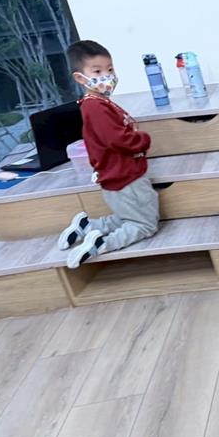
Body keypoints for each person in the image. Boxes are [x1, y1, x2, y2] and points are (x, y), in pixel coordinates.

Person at [58, 40, 159, 268]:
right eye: (97, 72)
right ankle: (101, 244)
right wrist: (143, 139)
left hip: (115, 174)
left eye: (110, 69)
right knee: (145, 225)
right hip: (126, 175)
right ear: (80, 78)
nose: (107, 76)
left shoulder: (97, 102)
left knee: (127, 215)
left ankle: (88, 227)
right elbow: (117, 140)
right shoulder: (95, 107)